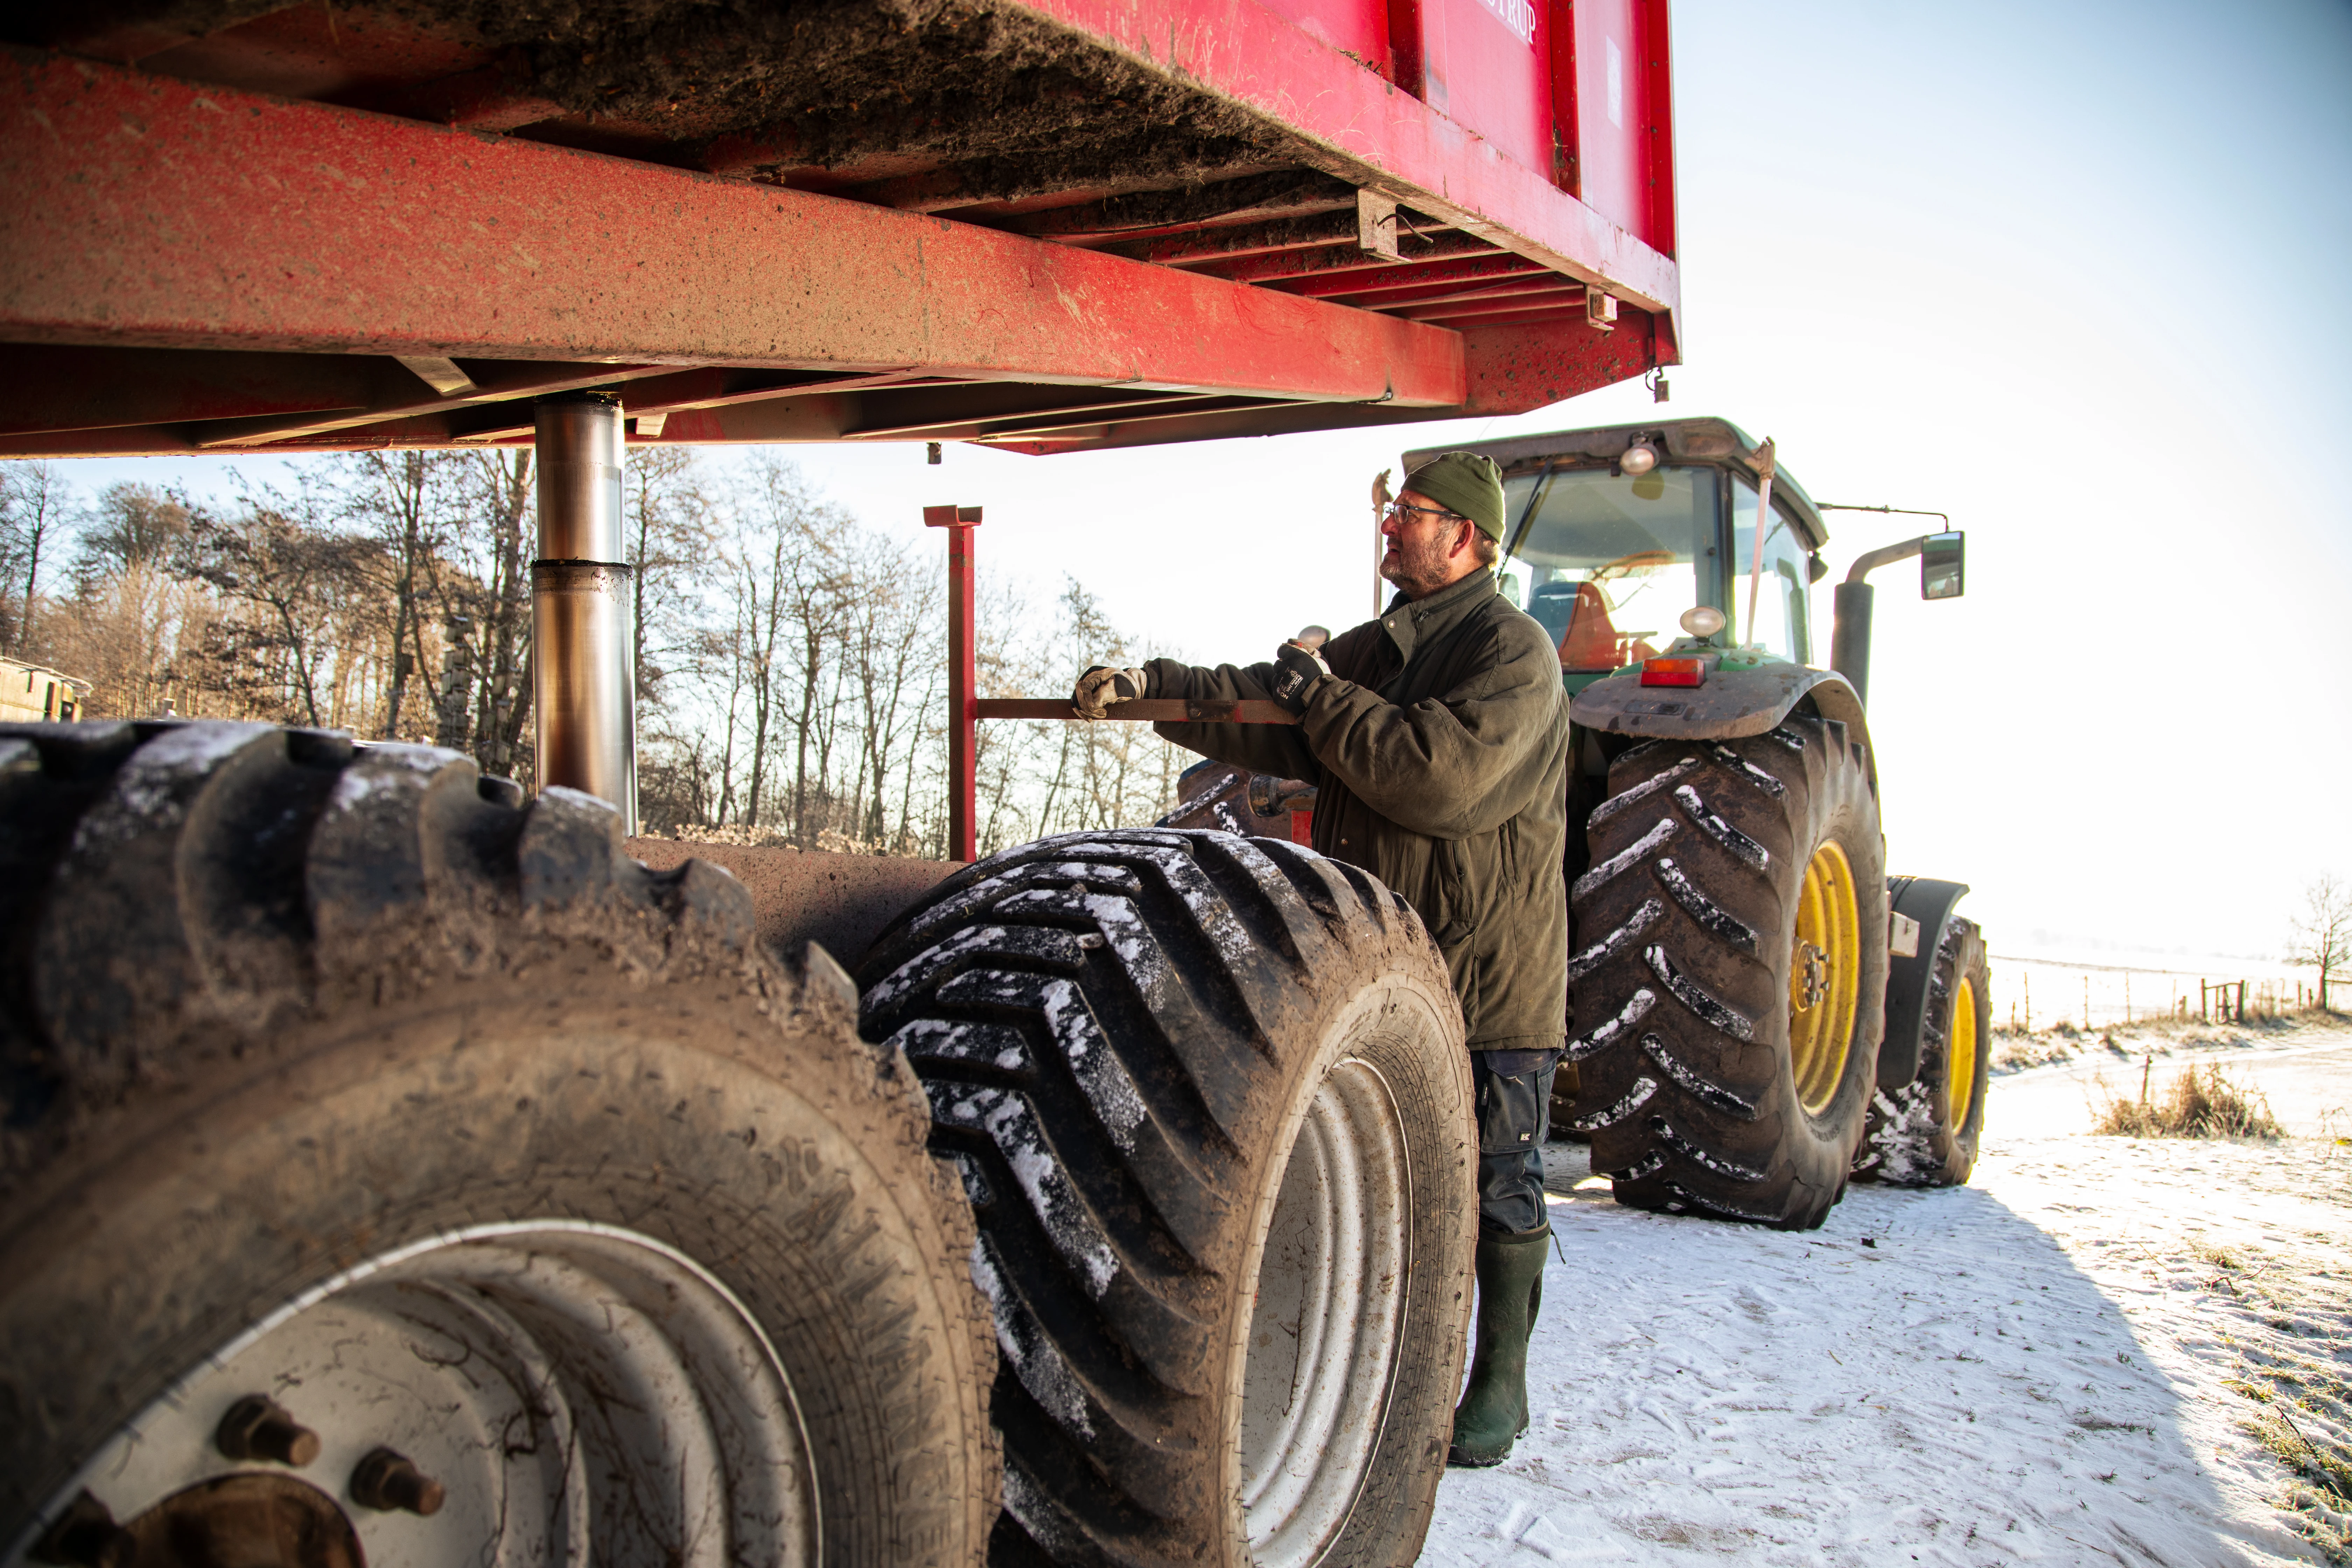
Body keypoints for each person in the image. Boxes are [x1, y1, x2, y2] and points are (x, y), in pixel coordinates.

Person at [1069, 451, 1571, 1468]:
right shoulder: (1381, 648)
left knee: (1497, 1184)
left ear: (1466, 538)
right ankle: (1384, 1375)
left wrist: (1319, 692)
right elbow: (1265, 701)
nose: (1390, 530)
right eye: (1391, 513)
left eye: (1411, 517)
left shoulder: (1515, 655)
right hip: (1385, 967)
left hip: (1487, 979)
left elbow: (1438, 778)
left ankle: (1500, 1385)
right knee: (1394, 1184)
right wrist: (1151, 688)